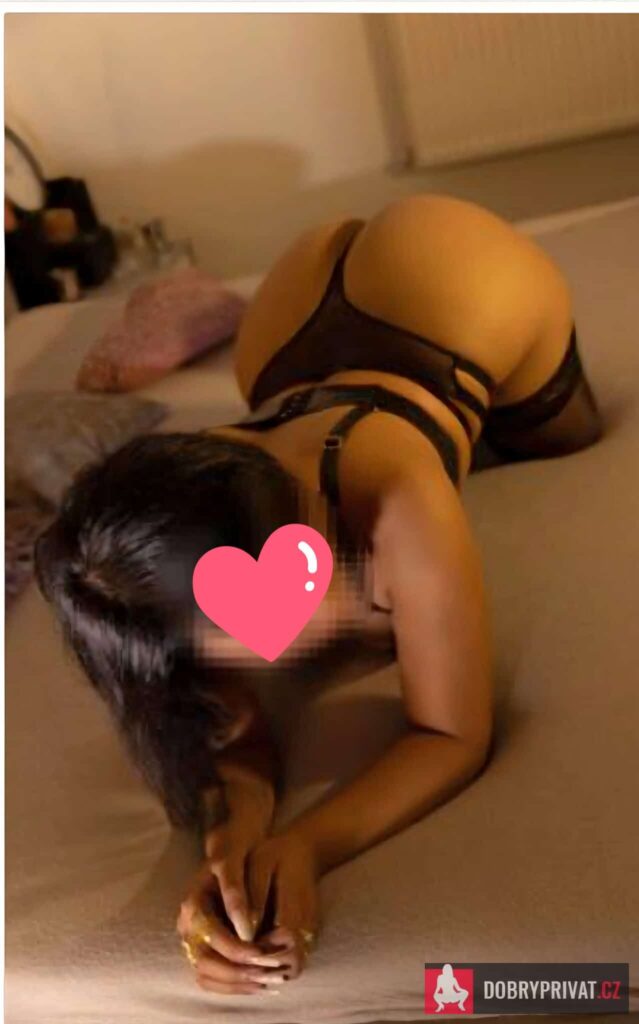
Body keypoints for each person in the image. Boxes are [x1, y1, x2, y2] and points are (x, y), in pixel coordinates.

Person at [34, 194, 603, 998]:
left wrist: (310, 844)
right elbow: (231, 728)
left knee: (567, 436)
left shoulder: (399, 501)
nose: (282, 653)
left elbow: (450, 734)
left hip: (454, 276)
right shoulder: (153, 568)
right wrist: (232, 848)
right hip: (283, 334)